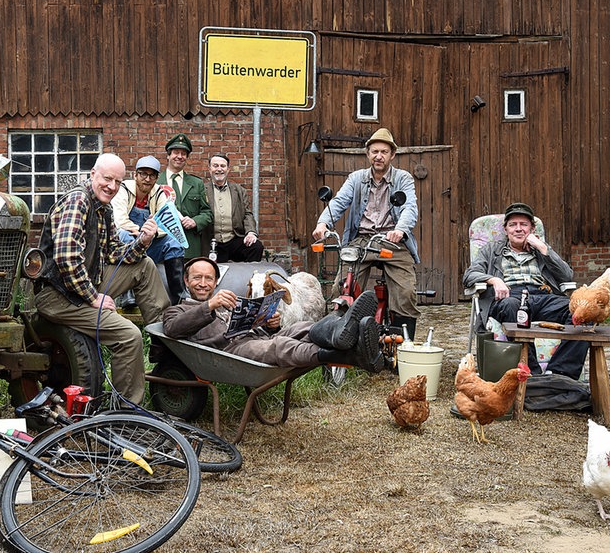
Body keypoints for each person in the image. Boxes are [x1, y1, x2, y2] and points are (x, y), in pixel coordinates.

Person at [33, 153, 170, 404]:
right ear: (93, 173)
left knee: (145, 264)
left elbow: (115, 253)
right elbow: (66, 257)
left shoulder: (103, 208)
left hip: (83, 283)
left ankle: (164, 339)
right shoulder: (78, 201)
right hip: (57, 294)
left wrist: (143, 241)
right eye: (107, 179)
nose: (112, 186)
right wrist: (93, 297)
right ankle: (127, 409)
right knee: (129, 336)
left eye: (118, 182)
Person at [162, 257, 383, 372]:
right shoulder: (177, 310)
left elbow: (251, 326)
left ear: (215, 282)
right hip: (229, 352)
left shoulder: (226, 303)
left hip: (254, 339)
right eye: (197, 278)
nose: (202, 284)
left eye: (208, 279)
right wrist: (209, 306)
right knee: (280, 347)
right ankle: (352, 355)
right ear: (186, 281)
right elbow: (173, 329)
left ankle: (343, 331)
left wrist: (270, 325)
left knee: (301, 328)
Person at [311, 127, 422, 338]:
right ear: (367, 154)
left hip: (391, 241)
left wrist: (399, 230)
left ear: (392, 155)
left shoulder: (403, 178)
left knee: (405, 293)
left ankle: (402, 344)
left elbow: (410, 208)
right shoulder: (356, 178)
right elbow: (339, 202)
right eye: (374, 151)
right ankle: (345, 336)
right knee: (342, 287)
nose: (378, 156)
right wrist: (323, 223)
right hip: (361, 240)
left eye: (384, 152)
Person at [463, 202, 590, 379]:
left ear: (531, 228)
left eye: (524, 224)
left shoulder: (541, 250)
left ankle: (560, 372)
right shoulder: (491, 250)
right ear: (505, 229)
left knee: (583, 312)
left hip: (542, 296)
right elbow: (469, 275)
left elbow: (566, 276)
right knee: (510, 306)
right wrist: (494, 279)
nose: (518, 229)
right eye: (513, 224)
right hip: (510, 297)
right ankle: (533, 374)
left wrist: (543, 248)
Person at [110, 155, 189, 305]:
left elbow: (167, 223)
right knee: (125, 235)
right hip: (123, 247)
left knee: (174, 242)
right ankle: (127, 294)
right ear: (135, 175)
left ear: (156, 178)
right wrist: (142, 232)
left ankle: (179, 295)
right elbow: (120, 221)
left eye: (151, 175)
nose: (147, 179)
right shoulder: (123, 190)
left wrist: (152, 233)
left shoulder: (159, 193)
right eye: (143, 174)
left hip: (149, 244)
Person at [157, 133, 212, 258]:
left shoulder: (196, 183)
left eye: (183, 154)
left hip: (189, 247)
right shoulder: (156, 183)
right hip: (162, 244)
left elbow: (207, 213)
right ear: (168, 155)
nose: (180, 157)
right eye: (176, 152)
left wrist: (195, 221)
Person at [203, 153, 264, 262]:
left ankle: (249, 277)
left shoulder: (239, 190)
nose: (219, 169)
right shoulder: (202, 190)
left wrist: (251, 232)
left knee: (256, 247)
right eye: (215, 166)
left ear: (228, 169)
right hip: (210, 242)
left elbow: (247, 214)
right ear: (209, 169)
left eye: (223, 166)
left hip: (233, 239)